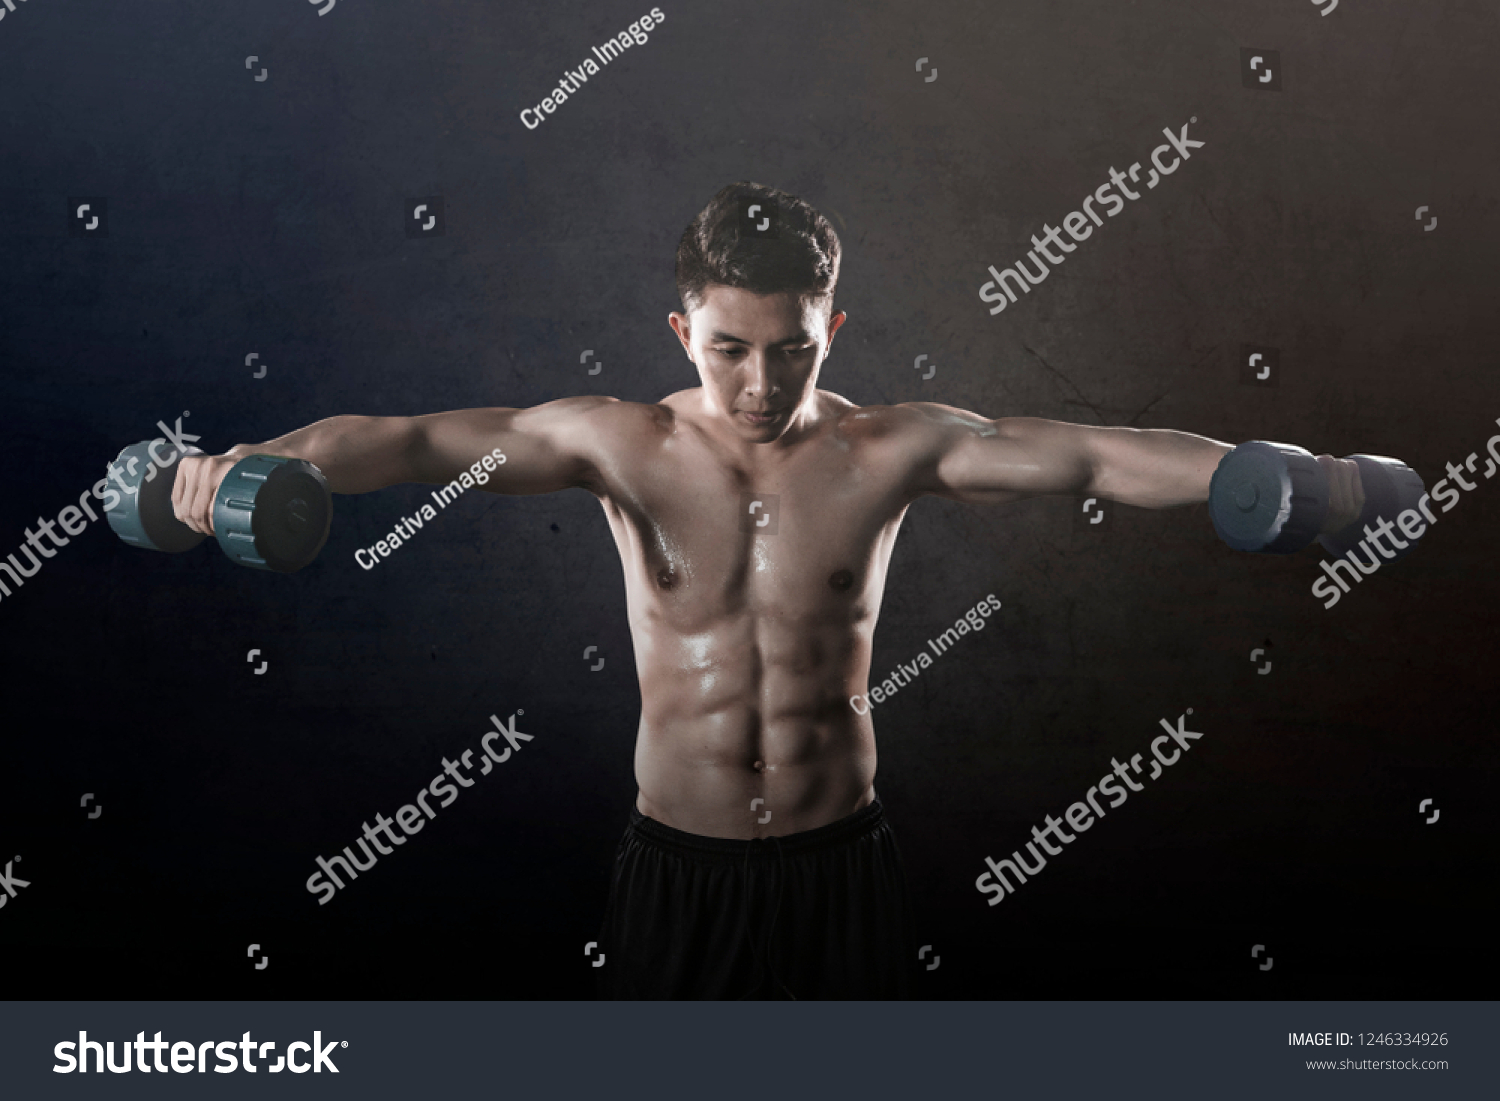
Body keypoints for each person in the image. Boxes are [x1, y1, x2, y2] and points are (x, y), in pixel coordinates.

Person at [170, 181, 1364, 999]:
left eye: (793, 347)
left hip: (839, 863)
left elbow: (1090, 452)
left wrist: (1264, 474)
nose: (760, 380)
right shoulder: (615, 442)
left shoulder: (889, 448)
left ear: (831, 326)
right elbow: (411, 444)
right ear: (680, 328)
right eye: (728, 347)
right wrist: (247, 467)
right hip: (676, 869)